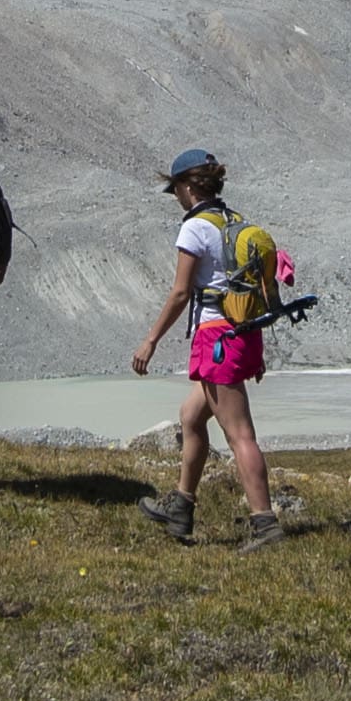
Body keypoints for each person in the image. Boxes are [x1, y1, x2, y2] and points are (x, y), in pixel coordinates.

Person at [124, 146, 285, 544]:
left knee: (239, 434)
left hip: (216, 338)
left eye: (176, 189)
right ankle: (181, 508)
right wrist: (257, 352)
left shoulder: (195, 227)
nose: (176, 197)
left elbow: (181, 293)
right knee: (192, 417)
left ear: (187, 186)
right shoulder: (234, 220)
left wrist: (151, 340)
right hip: (242, 334)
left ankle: (265, 523)